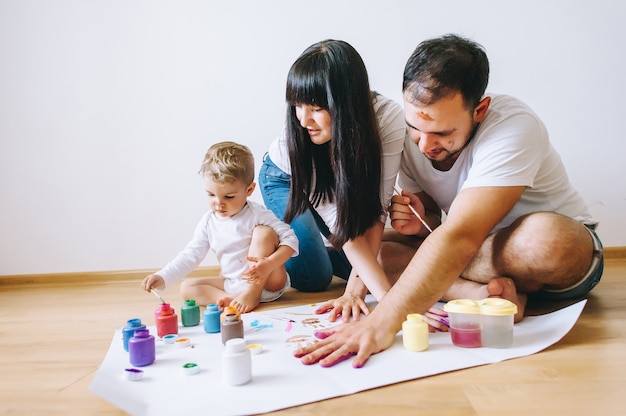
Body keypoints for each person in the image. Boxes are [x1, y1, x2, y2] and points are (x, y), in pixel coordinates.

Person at [294, 34, 604, 368]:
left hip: (553, 257)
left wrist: (383, 320)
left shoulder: (514, 126)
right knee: (376, 253)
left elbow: (460, 237)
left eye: (442, 133)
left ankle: (462, 287)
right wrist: (417, 220)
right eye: (416, 128)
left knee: (543, 241)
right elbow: (434, 220)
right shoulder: (407, 134)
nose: (425, 145)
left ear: (479, 110)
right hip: (479, 255)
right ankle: (483, 294)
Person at [259, 39, 405, 321]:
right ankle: (271, 244)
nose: (303, 120)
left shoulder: (388, 118)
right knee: (316, 276)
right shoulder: (299, 138)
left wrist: (356, 291)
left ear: (345, 103)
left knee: (362, 267)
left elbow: (377, 210)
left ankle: (312, 241)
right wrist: (394, 309)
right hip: (284, 179)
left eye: (315, 107)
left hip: (332, 189)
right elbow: (348, 231)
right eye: (297, 106)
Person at [142, 141, 299, 314]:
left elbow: (291, 240)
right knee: (187, 288)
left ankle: (251, 294)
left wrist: (269, 264)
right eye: (211, 195)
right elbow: (190, 255)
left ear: (249, 190)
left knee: (264, 232)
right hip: (233, 283)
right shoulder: (208, 221)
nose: (218, 204)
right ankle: (232, 299)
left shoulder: (256, 214)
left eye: (229, 197)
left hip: (268, 281)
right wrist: (163, 276)